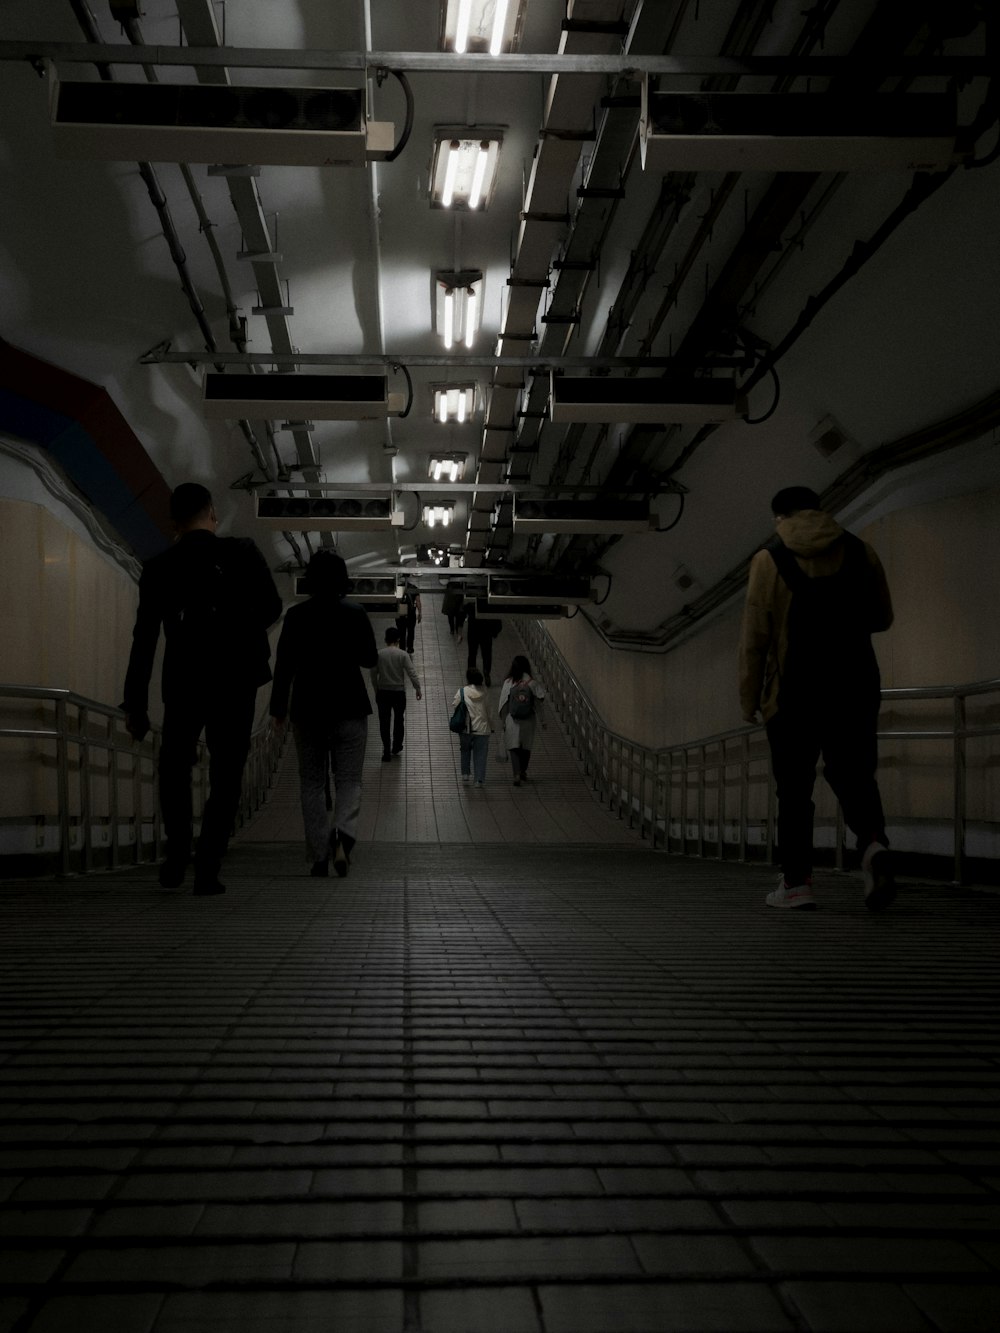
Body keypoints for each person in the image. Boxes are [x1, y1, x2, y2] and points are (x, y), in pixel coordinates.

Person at [739, 485, 896, 912]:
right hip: (855, 686)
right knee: (855, 774)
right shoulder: (861, 551)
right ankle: (873, 846)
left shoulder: (768, 560)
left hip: (794, 692)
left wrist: (749, 696)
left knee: (794, 788)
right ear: (818, 511)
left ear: (779, 518)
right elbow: (882, 617)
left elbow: (756, 638)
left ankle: (796, 883)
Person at [122, 482, 282, 896]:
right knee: (226, 773)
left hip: (185, 678)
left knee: (174, 767)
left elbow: (144, 640)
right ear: (212, 513)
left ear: (172, 522)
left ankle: (177, 854)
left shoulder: (159, 568)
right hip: (236, 677)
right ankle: (208, 868)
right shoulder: (243, 552)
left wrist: (135, 706)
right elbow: (271, 608)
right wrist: (236, 624)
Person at [269, 550, 377, 878]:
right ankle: (343, 836)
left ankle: (318, 855)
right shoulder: (356, 613)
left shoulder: (296, 615)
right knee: (348, 781)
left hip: (308, 709)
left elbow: (284, 665)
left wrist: (277, 710)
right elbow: (370, 659)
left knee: (312, 782)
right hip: (350, 708)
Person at [371, 625, 422, 761]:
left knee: (384, 722)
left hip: (383, 692)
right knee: (399, 720)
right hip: (398, 693)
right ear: (398, 639)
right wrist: (417, 688)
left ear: (385, 639)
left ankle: (386, 750)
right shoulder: (403, 654)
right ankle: (397, 745)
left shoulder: (379, 654)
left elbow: (373, 674)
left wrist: (376, 690)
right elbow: (412, 673)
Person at [498, 655, 546, 786]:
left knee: (514, 747)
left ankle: (516, 774)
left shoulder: (508, 683)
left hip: (512, 719)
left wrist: (503, 721)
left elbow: (504, 703)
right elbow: (539, 701)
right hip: (528, 720)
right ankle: (523, 770)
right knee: (526, 746)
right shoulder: (531, 682)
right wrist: (543, 720)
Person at [451, 667, 491, 788]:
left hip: (465, 728)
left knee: (465, 749)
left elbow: (455, 705)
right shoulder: (485, 692)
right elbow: (490, 711)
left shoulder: (462, 691)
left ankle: (465, 773)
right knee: (480, 754)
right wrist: (492, 726)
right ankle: (479, 780)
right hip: (482, 728)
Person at [465, 602, 502, 685]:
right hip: (486, 633)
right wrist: (495, 632)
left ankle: (471, 676)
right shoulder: (490, 604)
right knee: (487, 655)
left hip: (473, 633)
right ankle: (486, 672)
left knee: (472, 654)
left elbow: (464, 609)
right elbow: (497, 618)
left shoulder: (471, 605)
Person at [395, 581, 422, 654]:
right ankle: (410, 648)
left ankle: (402, 648)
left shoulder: (399, 587)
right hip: (411, 614)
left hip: (401, 613)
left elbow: (397, 601)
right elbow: (418, 601)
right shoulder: (414, 588)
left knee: (401, 632)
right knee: (411, 631)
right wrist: (419, 613)